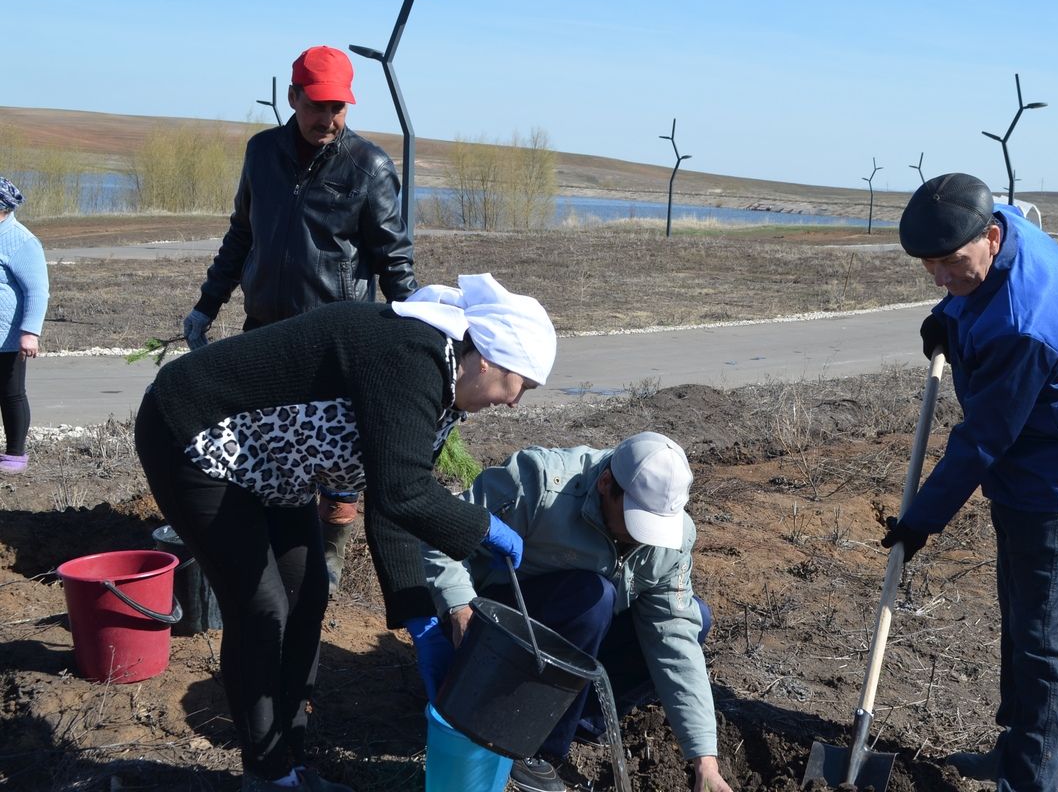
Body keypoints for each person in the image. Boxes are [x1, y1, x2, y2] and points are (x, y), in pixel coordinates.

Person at [136, 274, 554, 792]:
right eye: (521, 385)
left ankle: (290, 763)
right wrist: (485, 527)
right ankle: (265, 777)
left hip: (271, 463)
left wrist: (420, 618)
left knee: (307, 593)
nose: (516, 403)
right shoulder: (411, 356)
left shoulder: (444, 388)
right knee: (261, 606)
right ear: (488, 357)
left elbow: (393, 500)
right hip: (195, 435)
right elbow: (405, 493)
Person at [881, 174, 1058, 792]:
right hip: (1025, 463)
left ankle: (1033, 780)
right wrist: (947, 316)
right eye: (929, 268)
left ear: (989, 238)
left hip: (1057, 475)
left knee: (1044, 643)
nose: (940, 278)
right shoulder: (1002, 219)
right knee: (1020, 620)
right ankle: (1014, 753)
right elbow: (964, 291)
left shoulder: (1025, 323)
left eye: (950, 265)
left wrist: (920, 521)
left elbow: (983, 440)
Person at [181, 45, 418, 590]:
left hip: (334, 339)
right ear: (293, 98)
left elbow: (393, 259)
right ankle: (269, 534)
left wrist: (417, 329)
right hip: (264, 330)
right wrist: (205, 305)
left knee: (337, 452)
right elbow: (242, 235)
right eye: (317, 105)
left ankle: (329, 550)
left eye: (339, 107)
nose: (329, 119)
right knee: (262, 438)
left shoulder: (369, 167)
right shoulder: (261, 152)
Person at [411, 432, 735, 792]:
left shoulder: (672, 541)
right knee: (593, 597)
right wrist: (458, 608)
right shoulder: (539, 483)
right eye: (635, 519)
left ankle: (576, 720)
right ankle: (532, 749)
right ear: (605, 483)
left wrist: (704, 758)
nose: (642, 538)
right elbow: (441, 534)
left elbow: (672, 638)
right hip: (505, 628)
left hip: (581, 632)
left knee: (694, 618)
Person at [0, 176, 49, 474]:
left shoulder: (21, 240)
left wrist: (30, 332)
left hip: (7, 335)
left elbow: (37, 290)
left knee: (11, 393)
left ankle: (15, 455)